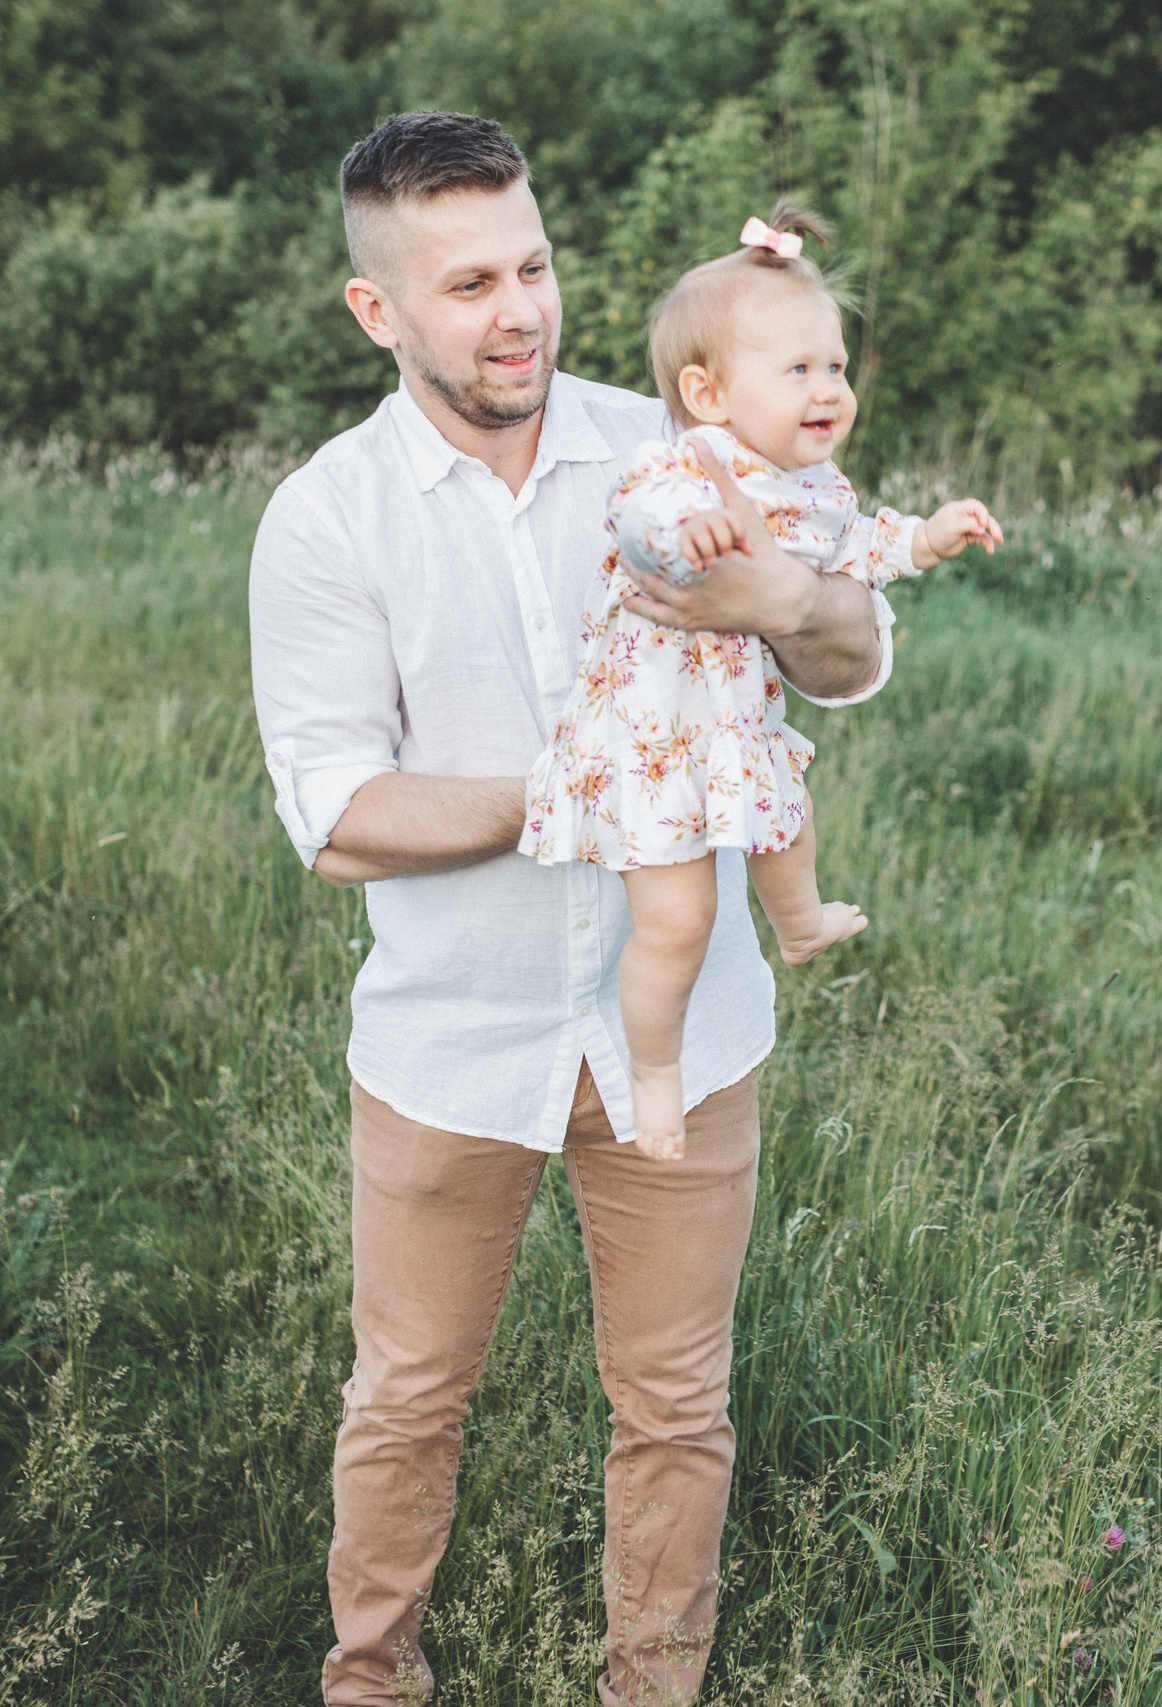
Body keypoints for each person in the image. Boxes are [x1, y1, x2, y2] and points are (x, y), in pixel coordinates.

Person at [247, 112, 900, 1706]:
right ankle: (370, 1678)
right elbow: (338, 816)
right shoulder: (328, 517)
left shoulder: (681, 447)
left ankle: (649, 1690)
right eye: (467, 281)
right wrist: (597, 783)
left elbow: (857, 648)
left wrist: (788, 604)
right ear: (378, 310)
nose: (520, 308)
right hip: (448, 1045)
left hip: (687, 1031)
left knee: (676, 1403)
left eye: (532, 263)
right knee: (406, 1396)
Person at [520, 199, 1002, 1159]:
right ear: (706, 391)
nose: (828, 388)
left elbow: (860, 549)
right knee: (681, 921)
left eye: (834, 366)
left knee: (790, 816)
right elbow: (637, 518)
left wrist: (932, 537)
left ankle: (802, 922)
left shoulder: (816, 489)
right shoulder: (682, 463)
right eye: (797, 370)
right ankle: (655, 1076)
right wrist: (682, 534)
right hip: (652, 740)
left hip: (733, 727)